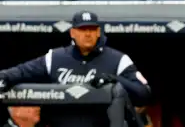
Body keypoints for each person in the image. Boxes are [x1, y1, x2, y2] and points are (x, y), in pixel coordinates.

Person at [0, 11, 151, 126]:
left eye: (92, 29)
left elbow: (144, 94)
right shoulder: (55, 57)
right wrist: (4, 77)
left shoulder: (118, 60)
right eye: (82, 29)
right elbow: (20, 72)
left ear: (98, 32)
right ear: (73, 33)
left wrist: (115, 79)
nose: (87, 34)